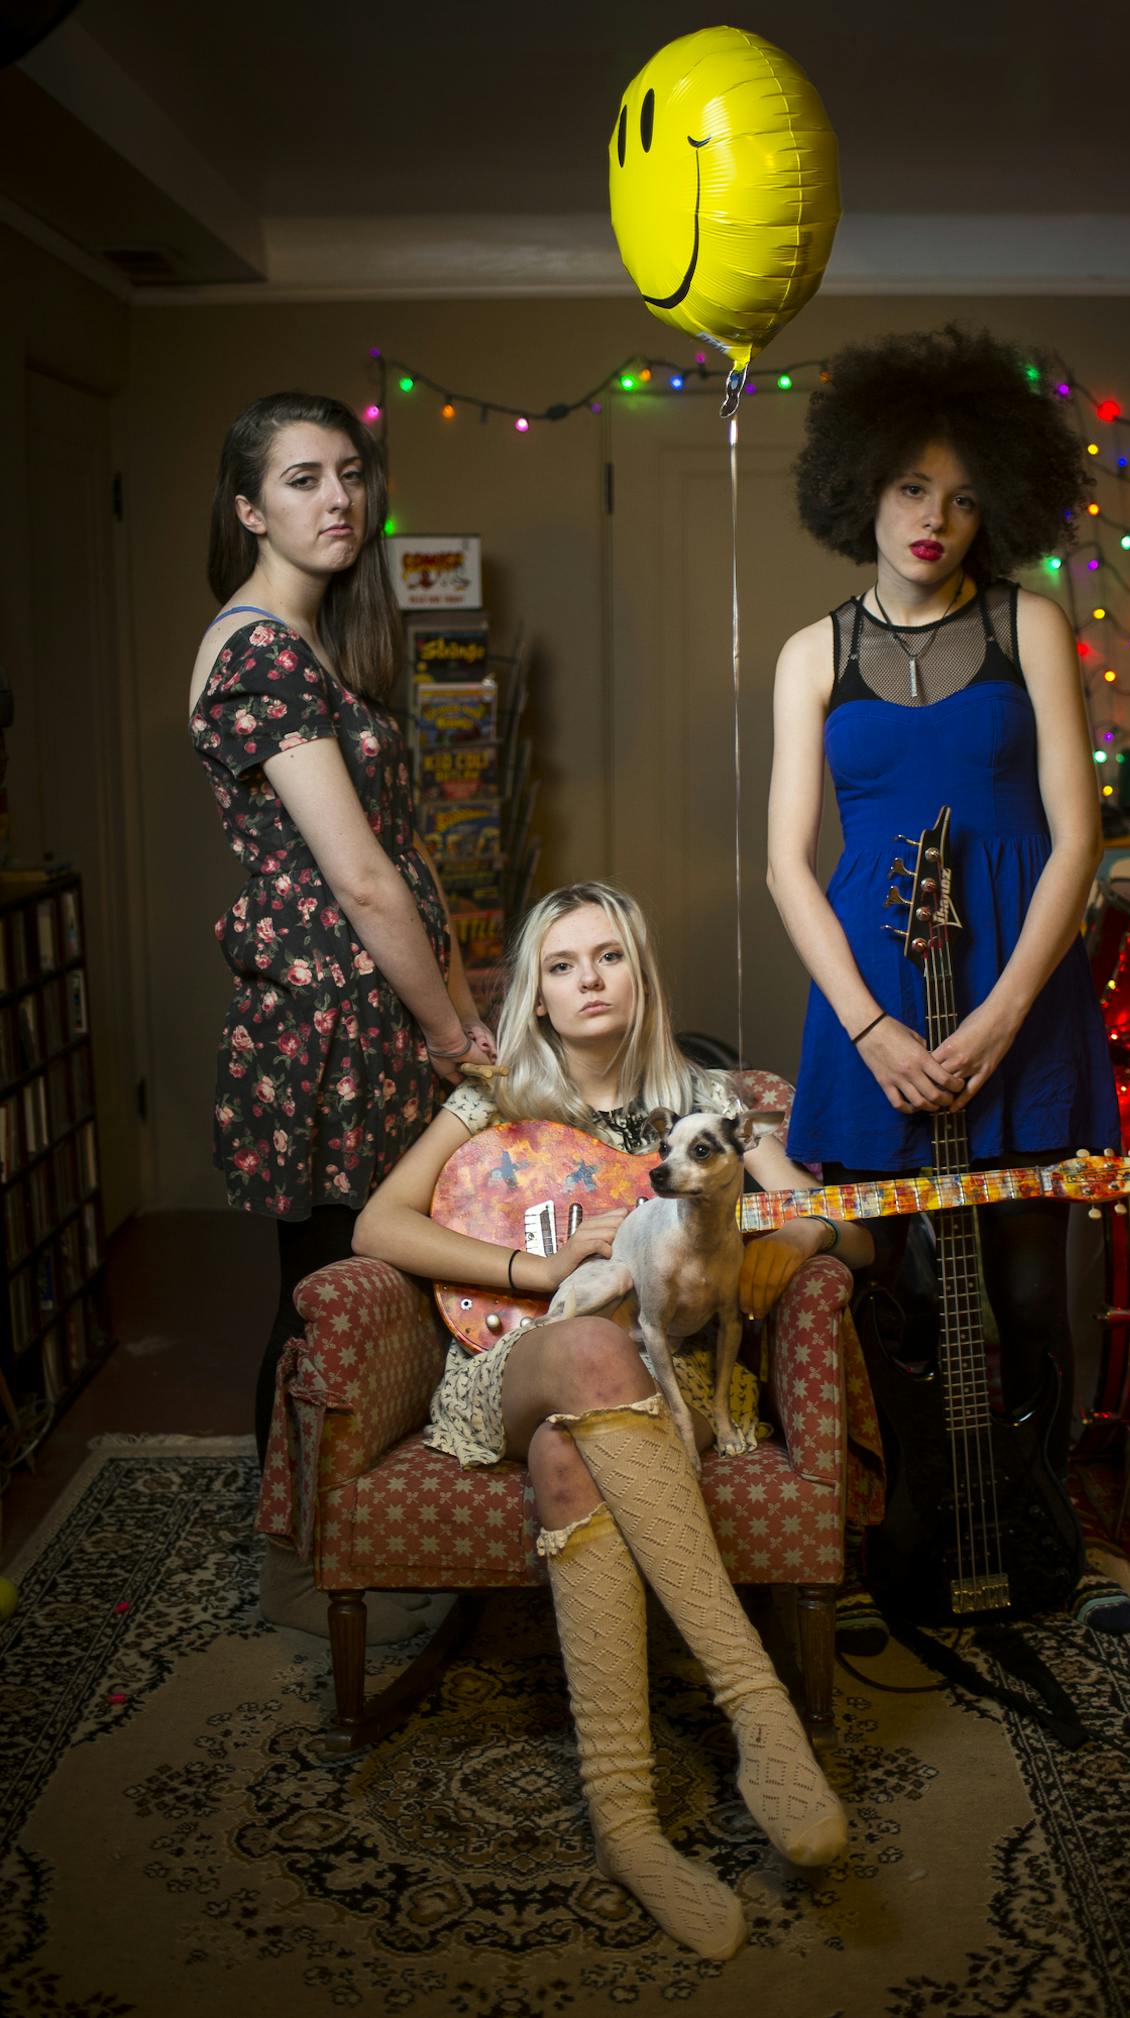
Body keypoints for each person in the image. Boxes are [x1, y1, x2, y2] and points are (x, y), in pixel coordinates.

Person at [353, 880, 871, 1958]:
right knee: (591, 1342)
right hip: (505, 1364)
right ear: (535, 995)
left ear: (639, 974)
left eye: (608, 956)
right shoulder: (490, 1096)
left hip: (645, 1387)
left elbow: (848, 1230)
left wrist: (798, 1240)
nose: (587, 980)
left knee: (572, 1453)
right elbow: (375, 1225)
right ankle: (759, 1708)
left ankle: (627, 1825)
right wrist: (534, 1265)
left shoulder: (711, 1100)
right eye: (560, 963)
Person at [766, 326, 1121, 1611]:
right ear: (861, 484)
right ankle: (918, 1517)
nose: (936, 517)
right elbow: (784, 865)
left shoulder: (1031, 621)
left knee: (1031, 1291)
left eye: (967, 494)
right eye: (913, 486)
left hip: (1019, 998)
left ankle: (1027, 1517)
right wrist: (868, 1030)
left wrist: (1004, 1012)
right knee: (899, 1299)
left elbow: (1076, 836)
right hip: (873, 1009)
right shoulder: (812, 654)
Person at [189, 391, 496, 1641]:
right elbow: (359, 876)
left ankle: (358, 1529)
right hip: (329, 1020)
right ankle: (302, 1559)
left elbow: (404, 864)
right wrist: (443, 1032)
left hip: (378, 1006)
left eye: (351, 474)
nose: (338, 499)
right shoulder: (258, 645)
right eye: (303, 479)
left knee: (370, 1282)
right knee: (322, 1291)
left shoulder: (316, 645)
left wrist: (464, 1005)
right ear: (251, 508)